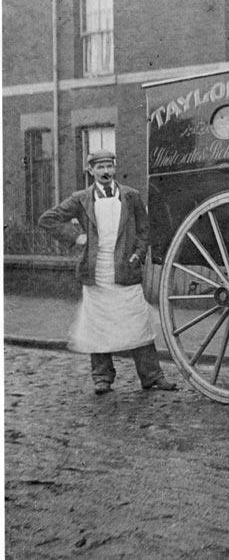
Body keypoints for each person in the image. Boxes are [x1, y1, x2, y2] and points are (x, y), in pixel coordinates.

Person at [37, 149, 177, 395]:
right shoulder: (81, 199)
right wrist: (76, 237)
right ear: (90, 171)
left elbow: (145, 230)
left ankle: (152, 376)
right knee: (98, 326)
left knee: (137, 323)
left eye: (108, 167)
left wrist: (139, 254)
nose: (105, 172)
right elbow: (47, 219)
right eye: (99, 168)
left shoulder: (131, 197)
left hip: (126, 269)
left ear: (115, 168)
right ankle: (102, 378)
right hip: (97, 272)